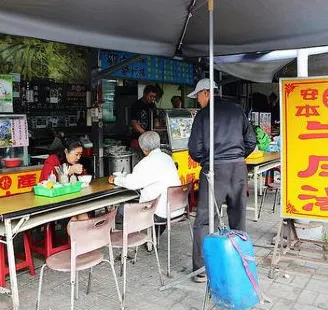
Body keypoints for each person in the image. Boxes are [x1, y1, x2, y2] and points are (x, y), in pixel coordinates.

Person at [187, 78, 257, 283]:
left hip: (214, 171)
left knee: (204, 220)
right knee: (238, 215)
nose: (197, 101)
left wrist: (208, 161)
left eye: (198, 96)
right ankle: (239, 261)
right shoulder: (237, 110)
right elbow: (250, 141)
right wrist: (236, 157)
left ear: (206, 93)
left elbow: (194, 149)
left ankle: (200, 270)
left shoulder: (202, 115)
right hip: (238, 168)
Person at [108, 131, 181, 235]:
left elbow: (132, 184)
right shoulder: (168, 158)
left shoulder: (146, 163)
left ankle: (129, 236)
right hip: (176, 209)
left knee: (121, 209)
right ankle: (153, 235)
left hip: (160, 212)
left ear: (143, 148)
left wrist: (115, 179)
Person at [39, 137, 89, 231]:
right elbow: (47, 183)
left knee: (83, 217)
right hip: (53, 203)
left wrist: (82, 173)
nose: (78, 157)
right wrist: (68, 171)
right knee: (76, 219)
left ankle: (79, 244)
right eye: (76, 154)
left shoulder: (74, 162)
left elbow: (82, 179)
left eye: (80, 155)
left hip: (72, 201)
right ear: (66, 151)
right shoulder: (52, 160)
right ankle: (78, 244)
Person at [130, 85, 159, 150]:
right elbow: (134, 123)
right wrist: (145, 134)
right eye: (150, 96)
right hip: (138, 139)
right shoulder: (136, 105)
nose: (152, 99)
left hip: (150, 139)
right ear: (144, 94)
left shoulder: (153, 105)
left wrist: (156, 131)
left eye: (154, 97)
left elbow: (156, 119)